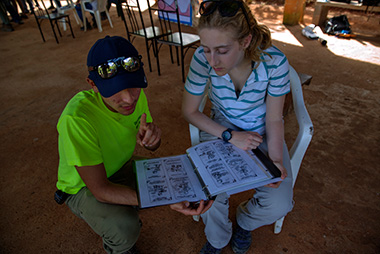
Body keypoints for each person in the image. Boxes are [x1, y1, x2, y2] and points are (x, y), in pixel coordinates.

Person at [55, 35, 211, 254]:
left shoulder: (138, 98)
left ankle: (132, 204)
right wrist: (165, 199)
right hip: (81, 187)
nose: (129, 99)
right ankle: (118, 247)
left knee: (172, 175)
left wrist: (153, 140)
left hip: (120, 165)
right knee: (125, 228)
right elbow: (100, 190)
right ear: (93, 85)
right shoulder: (77, 118)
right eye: (115, 91)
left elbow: (149, 142)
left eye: (133, 86)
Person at [173, 0, 294, 253]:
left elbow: (273, 119)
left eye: (222, 50)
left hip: (262, 130)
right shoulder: (201, 59)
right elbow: (189, 110)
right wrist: (229, 135)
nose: (212, 60)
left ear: (246, 41)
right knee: (207, 189)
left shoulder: (275, 62)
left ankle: (244, 221)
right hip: (221, 126)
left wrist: (274, 161)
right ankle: (217, 239)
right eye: (206, 49)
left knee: (279, 202)